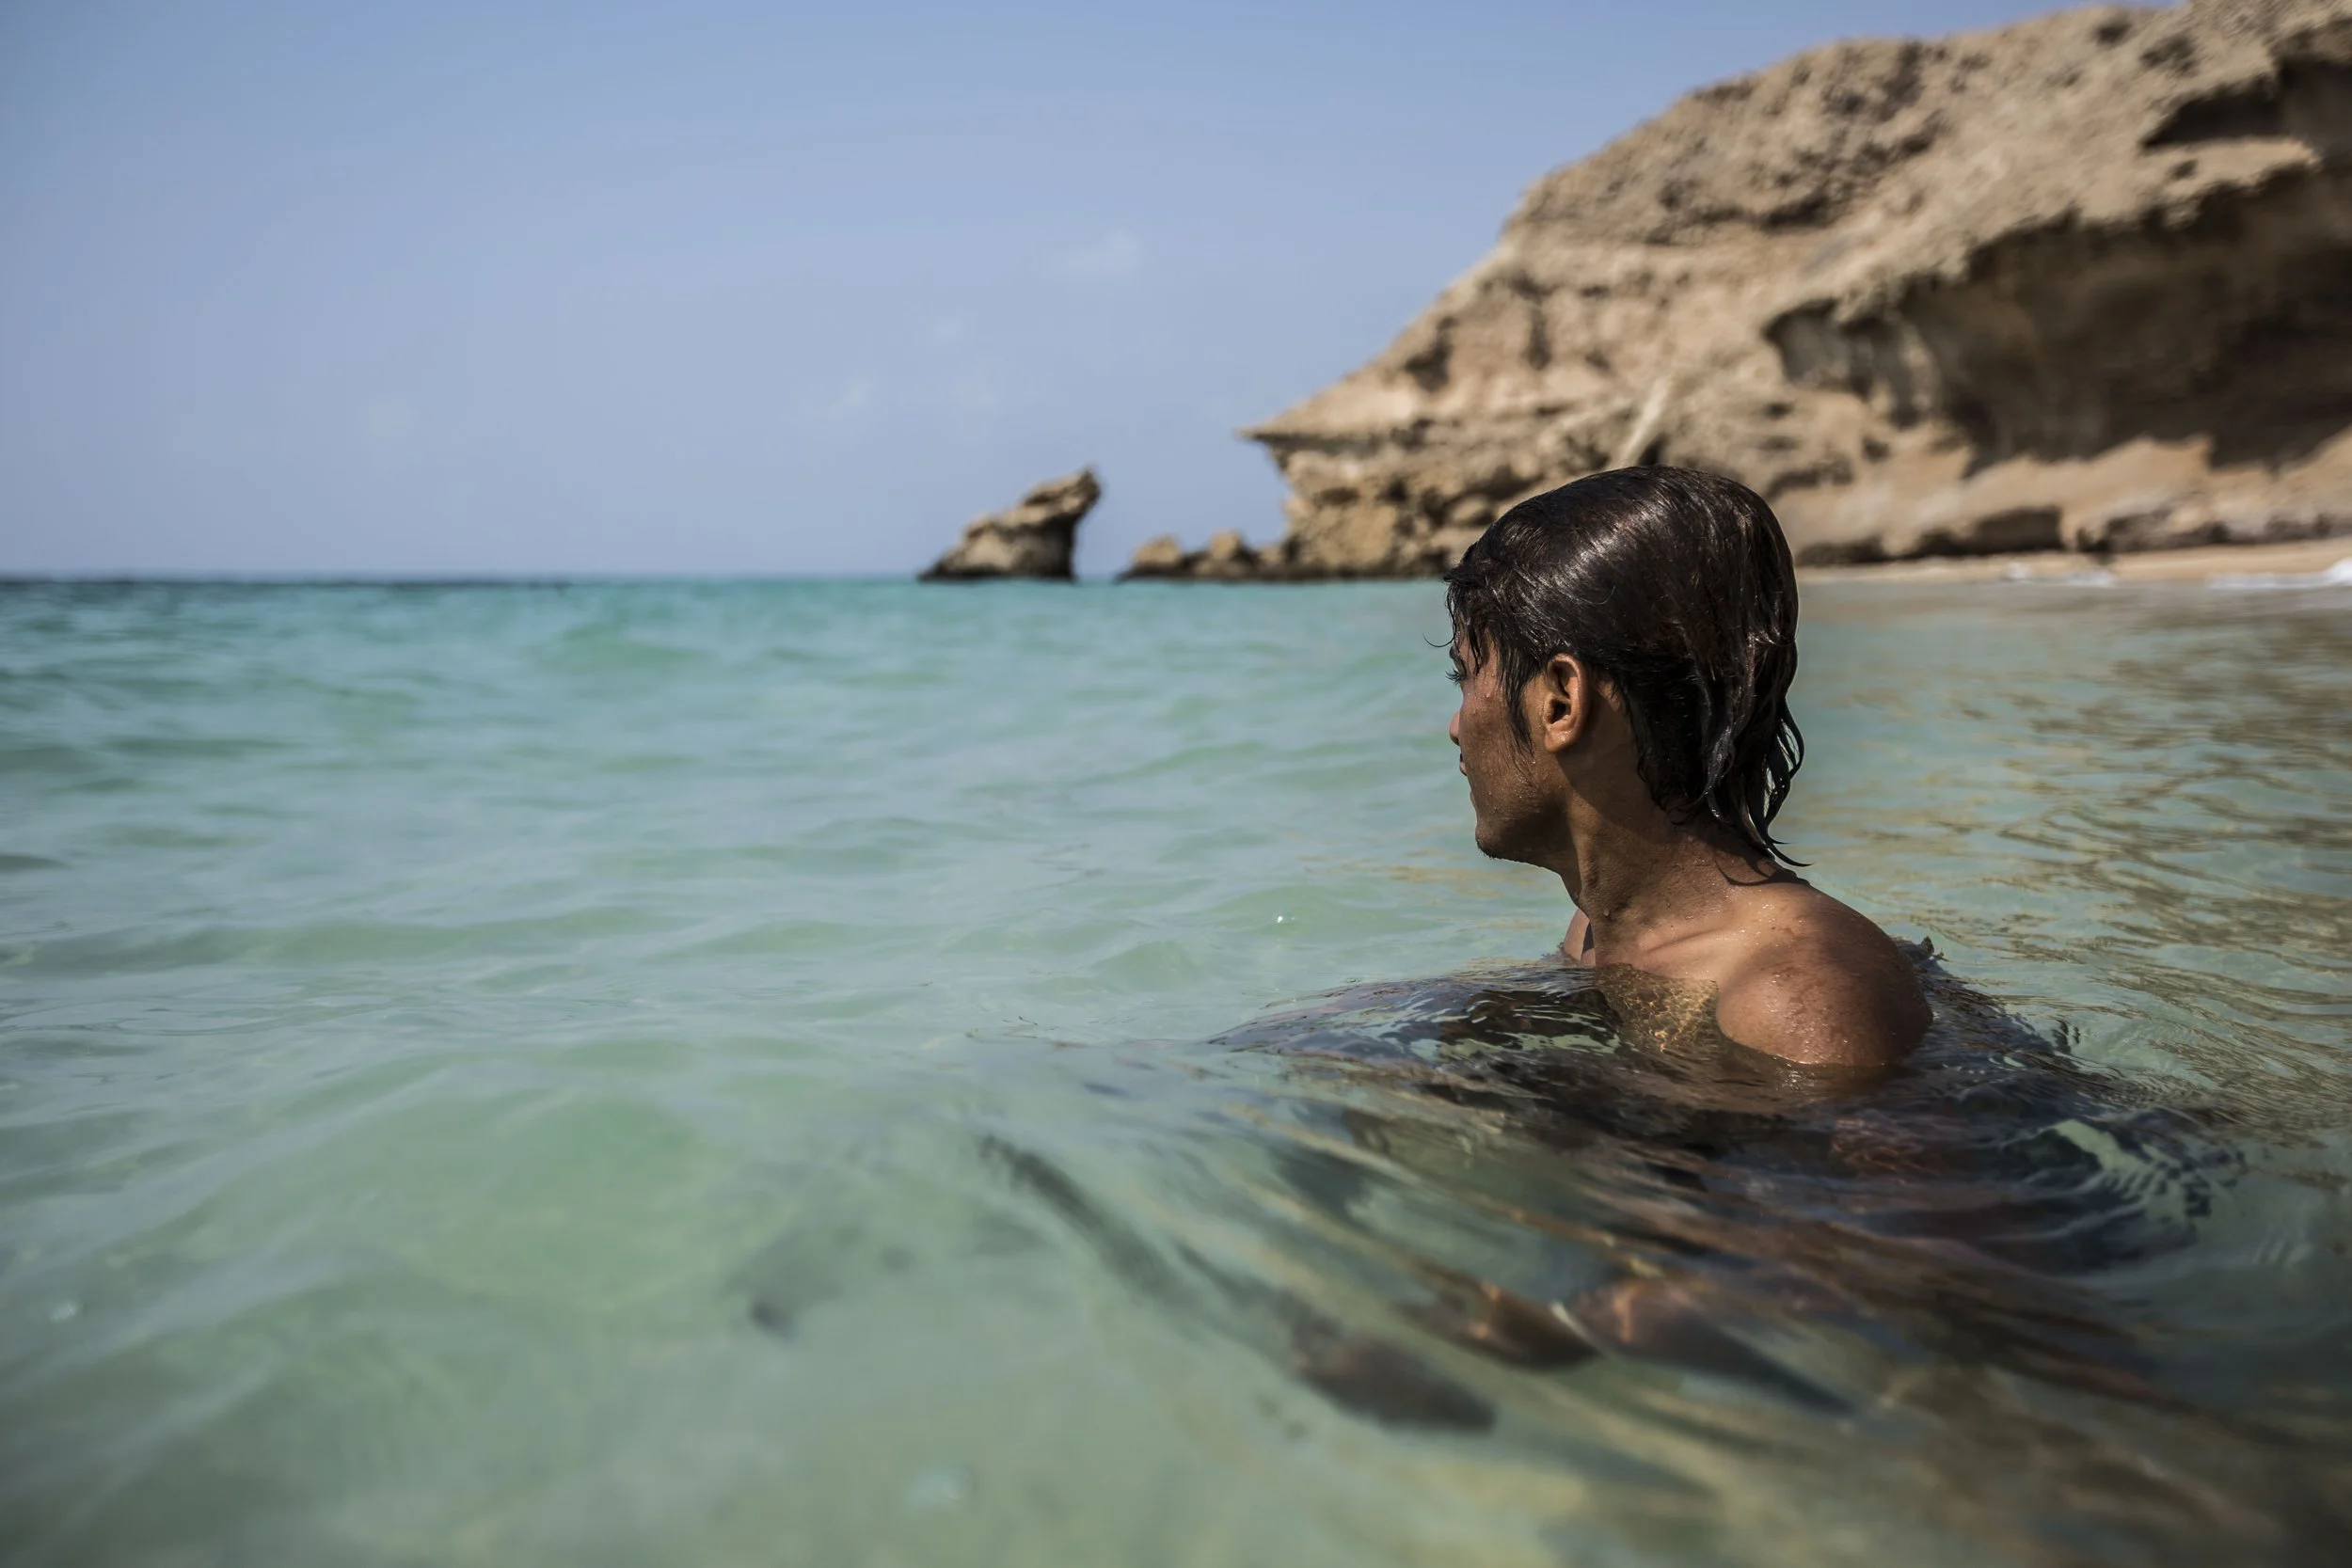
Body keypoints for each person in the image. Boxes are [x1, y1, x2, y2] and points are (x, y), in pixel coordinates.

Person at [1444, 466, 1929, 1069]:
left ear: (1561, 703)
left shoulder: (1797, 999)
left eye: (1465, 677)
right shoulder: (1596, 935)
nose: (1456, 727)